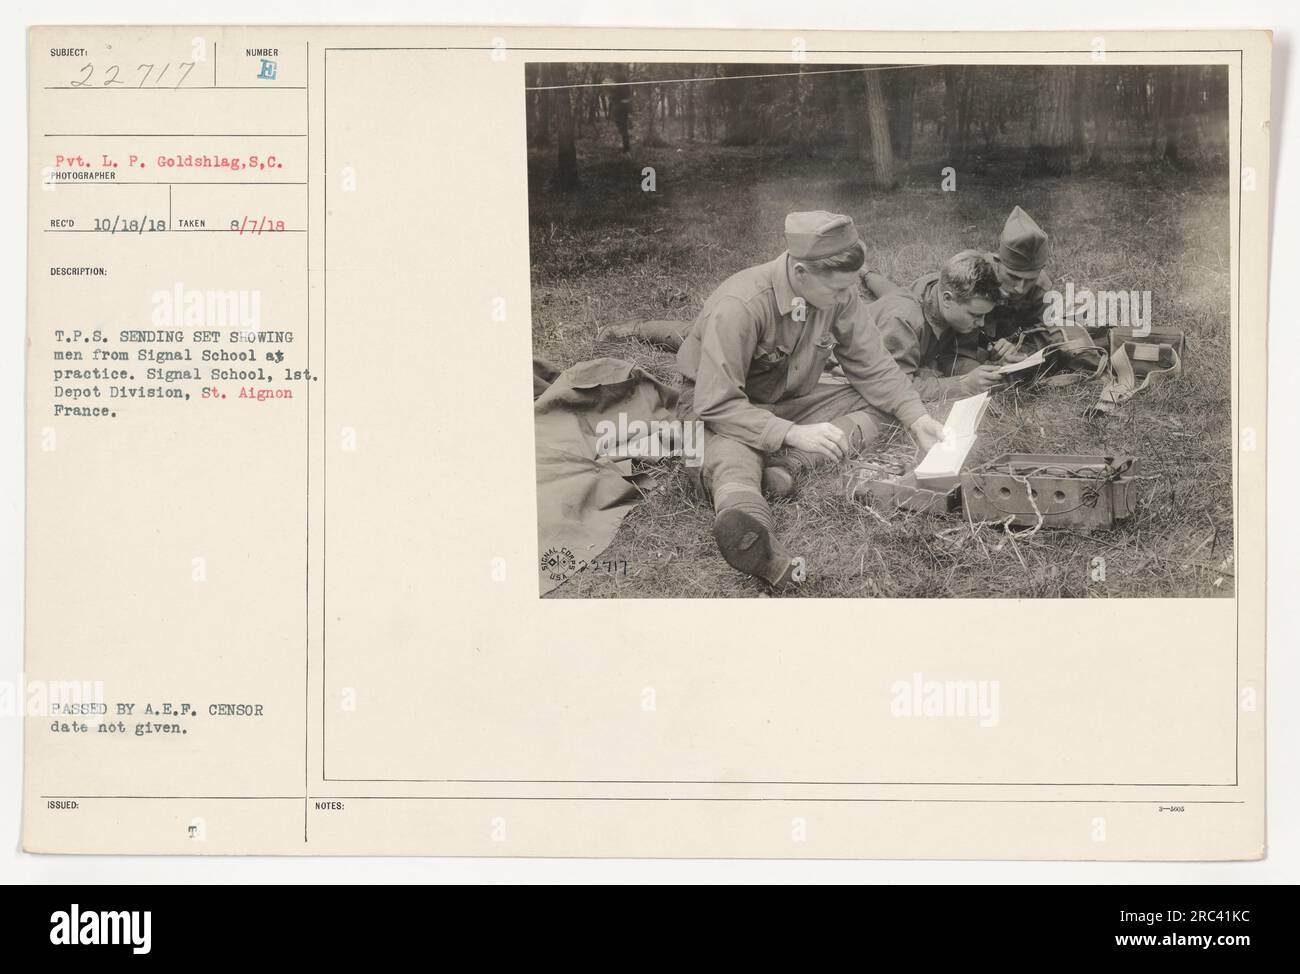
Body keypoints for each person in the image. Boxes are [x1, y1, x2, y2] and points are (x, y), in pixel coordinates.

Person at [675, 210, 945, 590]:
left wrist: (917, 417)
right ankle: (753, 529)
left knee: (884, 406)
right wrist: (791, 432)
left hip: (787, 400)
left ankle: (786, 468)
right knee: (733, 454)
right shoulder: (742, 303)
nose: (845, 297)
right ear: (800, 273)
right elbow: (716, 403)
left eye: (848, 288)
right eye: (836, 290)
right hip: (717, 410)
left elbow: (874, 364)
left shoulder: (839, 290)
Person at [862, 205, 1055, 365]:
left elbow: (1048, 332)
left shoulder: (1042, 289)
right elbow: (952, 350)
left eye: (1030, 279)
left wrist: (1018, 349)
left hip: (965, 322)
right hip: (926, 299)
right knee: (898, 299)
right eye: (1012, 276)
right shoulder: (975, 277)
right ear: (997, 261)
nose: (1020, 288)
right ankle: (865, 273)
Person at [873, 250, 1005, 400]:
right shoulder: (903, 320)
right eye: (976, 315)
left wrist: (988, 373)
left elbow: (951, 356)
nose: (981, 323)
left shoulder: (950, 296)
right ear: (947, 299)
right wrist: (962, 385)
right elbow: (893, 388)